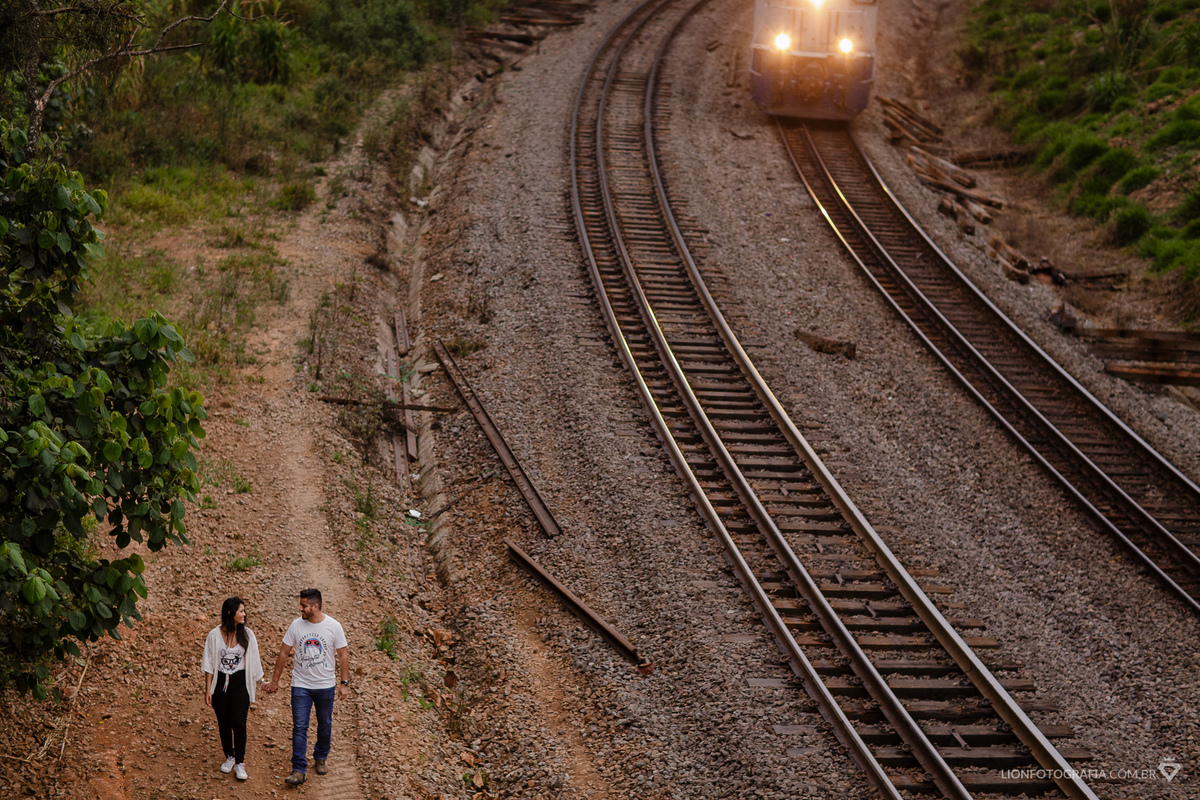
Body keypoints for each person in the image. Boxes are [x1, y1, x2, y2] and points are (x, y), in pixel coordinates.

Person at [264, 588, 350, 787]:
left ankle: (321, 757)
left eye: (304, 606)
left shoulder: (333, 626)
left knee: (325, 724)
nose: (300, 609)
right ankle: (298, 769)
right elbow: (284, 653)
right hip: (300, 685)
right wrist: (275, 681)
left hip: (325, 685)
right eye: (301, 605)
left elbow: (343, 655)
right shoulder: (296, 625)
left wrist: (344, 683)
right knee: (299, 727)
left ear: (316, 606)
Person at [202, 597, 265, 782]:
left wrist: (262, 683)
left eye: (244, 611)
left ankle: (240, 762)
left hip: (240, 683)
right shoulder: (214, 635)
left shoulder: (248, 635)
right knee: (223, 722)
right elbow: (208, 663)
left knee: (239, 722)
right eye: (241, 611)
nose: (244, 614)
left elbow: (255, 661)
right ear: (230, 613)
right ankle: (229, 755)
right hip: (220, 683)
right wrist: (208, 689)